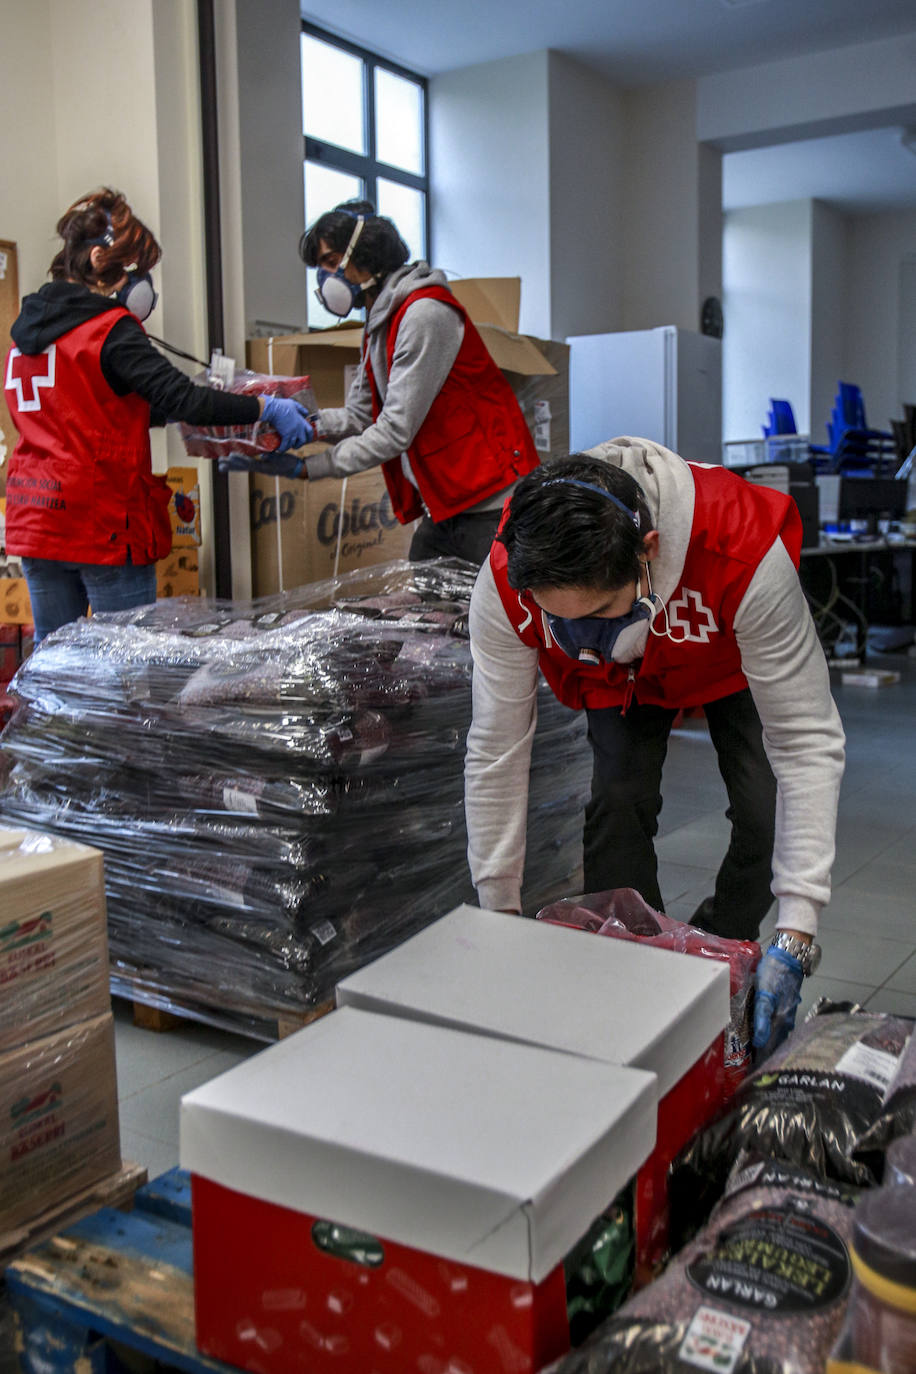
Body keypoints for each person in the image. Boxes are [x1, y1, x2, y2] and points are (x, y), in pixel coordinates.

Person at [464, 439, 846, 1056]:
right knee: (618, 799)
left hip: (728, 658)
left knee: (761, 810)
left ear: (649, 553)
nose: (587, 640)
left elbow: (806, 741)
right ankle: (634, 967)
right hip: (622, 684)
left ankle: (722, 952)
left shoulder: (742, 553)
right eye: (563, 621)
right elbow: (496, 748)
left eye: (603, 612)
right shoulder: (506, 582)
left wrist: (797, 930)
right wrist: (498, 913)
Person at [3, 187, 314, 642]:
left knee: (55, 668)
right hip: (102, 521)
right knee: (128, 665)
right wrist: (266, 406)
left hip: (39, 515)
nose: (142, 285)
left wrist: (158, 413)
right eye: (136, 272)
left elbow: (83, 409)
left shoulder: (24, 332)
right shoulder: (109, 329)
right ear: (97, 260)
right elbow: (187, 399)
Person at [270, 199, 537, 565]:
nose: (326, 278)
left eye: (331, 262)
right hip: (446, 499)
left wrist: (309, 467)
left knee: (484, 617)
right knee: (431, 608)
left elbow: (395, 430)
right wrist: (302, 423)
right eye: (321, 268)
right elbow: (360, 416)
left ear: (365, 253)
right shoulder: (380, 322)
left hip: (488, 498)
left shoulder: (424, 313)